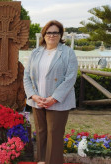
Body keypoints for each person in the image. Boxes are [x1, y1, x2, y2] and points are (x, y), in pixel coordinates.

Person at [23, 20, 78, 164]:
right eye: (49, 32)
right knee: (41, 133)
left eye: (55, 32)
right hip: (38, 101)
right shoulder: (35, 53)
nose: (51, 35)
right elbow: (27, 76)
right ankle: (41, 161)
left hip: (58, 101)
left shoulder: (68, 53)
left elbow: (70, 78)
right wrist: (34, 96)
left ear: (60, 35)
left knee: (54, 134)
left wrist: (53, 98)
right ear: (44, 34)